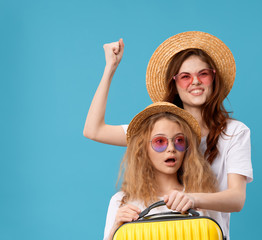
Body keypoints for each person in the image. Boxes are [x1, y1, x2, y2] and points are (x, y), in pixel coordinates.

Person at [84, 31, 253, 239]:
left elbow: (237, 198)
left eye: (203, 74)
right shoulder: (156, 127)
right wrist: (110, 67)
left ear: (214, 77)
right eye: (185, 77)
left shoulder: (234, 132)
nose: (195, 82)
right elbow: (93, 130)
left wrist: (192, 199)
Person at [103, 102, 218, 240]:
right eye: (160, 141)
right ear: (143, 149)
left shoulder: (201, 197)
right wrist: (116, 230)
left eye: (179, 140)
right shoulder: (122, 202)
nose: (171, 148)